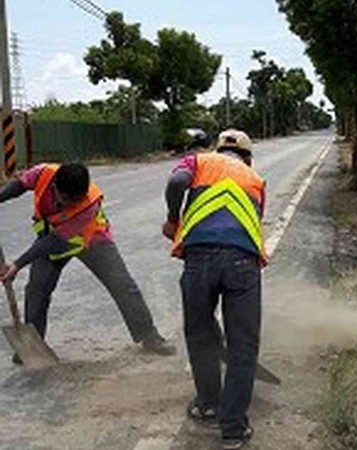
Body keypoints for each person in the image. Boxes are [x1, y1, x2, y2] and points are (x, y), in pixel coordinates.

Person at [0, 162, 176, 363]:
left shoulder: (88, 205)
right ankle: (34, 346)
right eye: (67, 200)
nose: (72, 204)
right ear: (55, 187)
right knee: (36, 291)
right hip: (51, 237)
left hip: (92, 239)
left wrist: (17, 264)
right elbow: (21, 185)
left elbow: (55, 240)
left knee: (122, 284)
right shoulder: (44, 173)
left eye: (77, 199)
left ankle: (149, 337)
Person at [162, 129, 266, 450]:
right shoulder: (256, 180)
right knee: (242, 345)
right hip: (242, 264)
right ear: (247, 157)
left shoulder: (198, 161)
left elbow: (177, 183)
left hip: (199, 258)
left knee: (201, 334)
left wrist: (172, 218)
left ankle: (208, 405)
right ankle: (233, 429)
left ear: (217, 149)